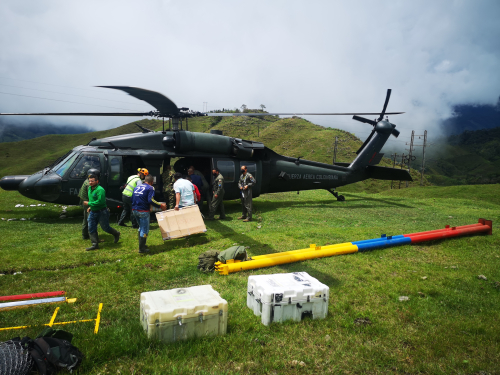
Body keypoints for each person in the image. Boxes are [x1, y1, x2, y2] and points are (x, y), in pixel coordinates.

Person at [83, 174, 121, 251]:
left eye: (92, 181)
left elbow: (100, 202)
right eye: (89, 181)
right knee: (91, 227)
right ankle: (95, 244)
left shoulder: (100, 190)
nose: (90, 183)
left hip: (102, 212)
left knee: (105, 228)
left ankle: (116, 233)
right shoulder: (90, 188)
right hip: (93, 212)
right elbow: (93, 200)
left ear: (97, 181)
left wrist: (89, 204)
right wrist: (91, 207)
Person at [132, 174, 166, 253]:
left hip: (134, 210)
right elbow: (150, 200)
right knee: (145, 230)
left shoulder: (136, 187)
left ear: (144, 181)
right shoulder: (150, 188)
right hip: (143, 211)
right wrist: (160, 205)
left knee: (141, 227)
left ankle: (142, 245)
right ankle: (142, 249)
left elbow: (132, 198)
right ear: (151, 182)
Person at [78, 168, 99, 240]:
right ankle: (93, 238)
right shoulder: (90, 184)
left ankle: (85, 235)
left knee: (86, 219)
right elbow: (92, 196)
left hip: (84, 201)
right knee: (91, 220)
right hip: (87, 202)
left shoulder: (87, 180)